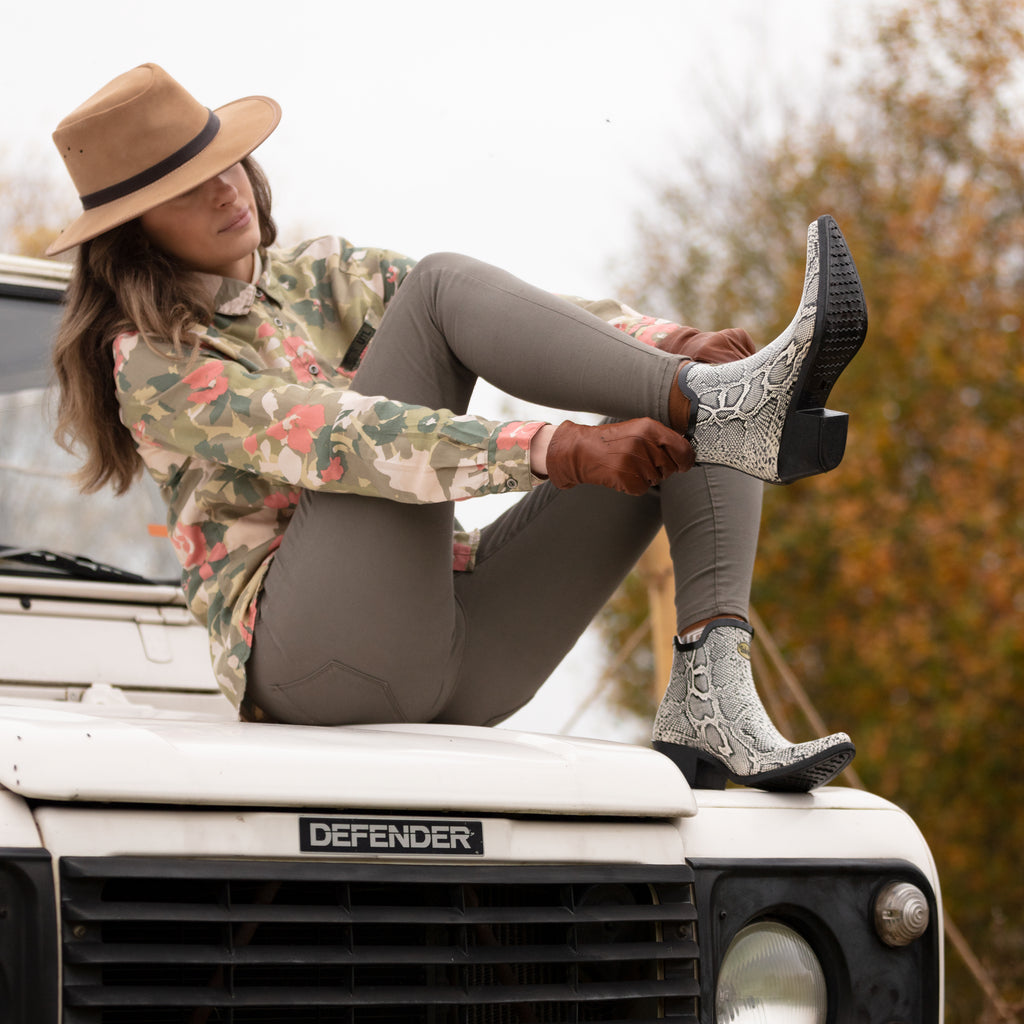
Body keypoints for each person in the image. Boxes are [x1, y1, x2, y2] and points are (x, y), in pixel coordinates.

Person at [48, 63, 867, 792]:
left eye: (224, 160)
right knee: (437, 291)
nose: (225, 187)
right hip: (320, 667)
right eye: (185, 187)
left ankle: (713, 699)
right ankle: (709, 392)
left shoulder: (320, 276)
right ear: (135, 233)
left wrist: (675, 347)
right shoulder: (151, 363)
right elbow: (342, 441)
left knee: (694, 408)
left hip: (465, 655)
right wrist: (558, 450)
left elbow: (531, 317)